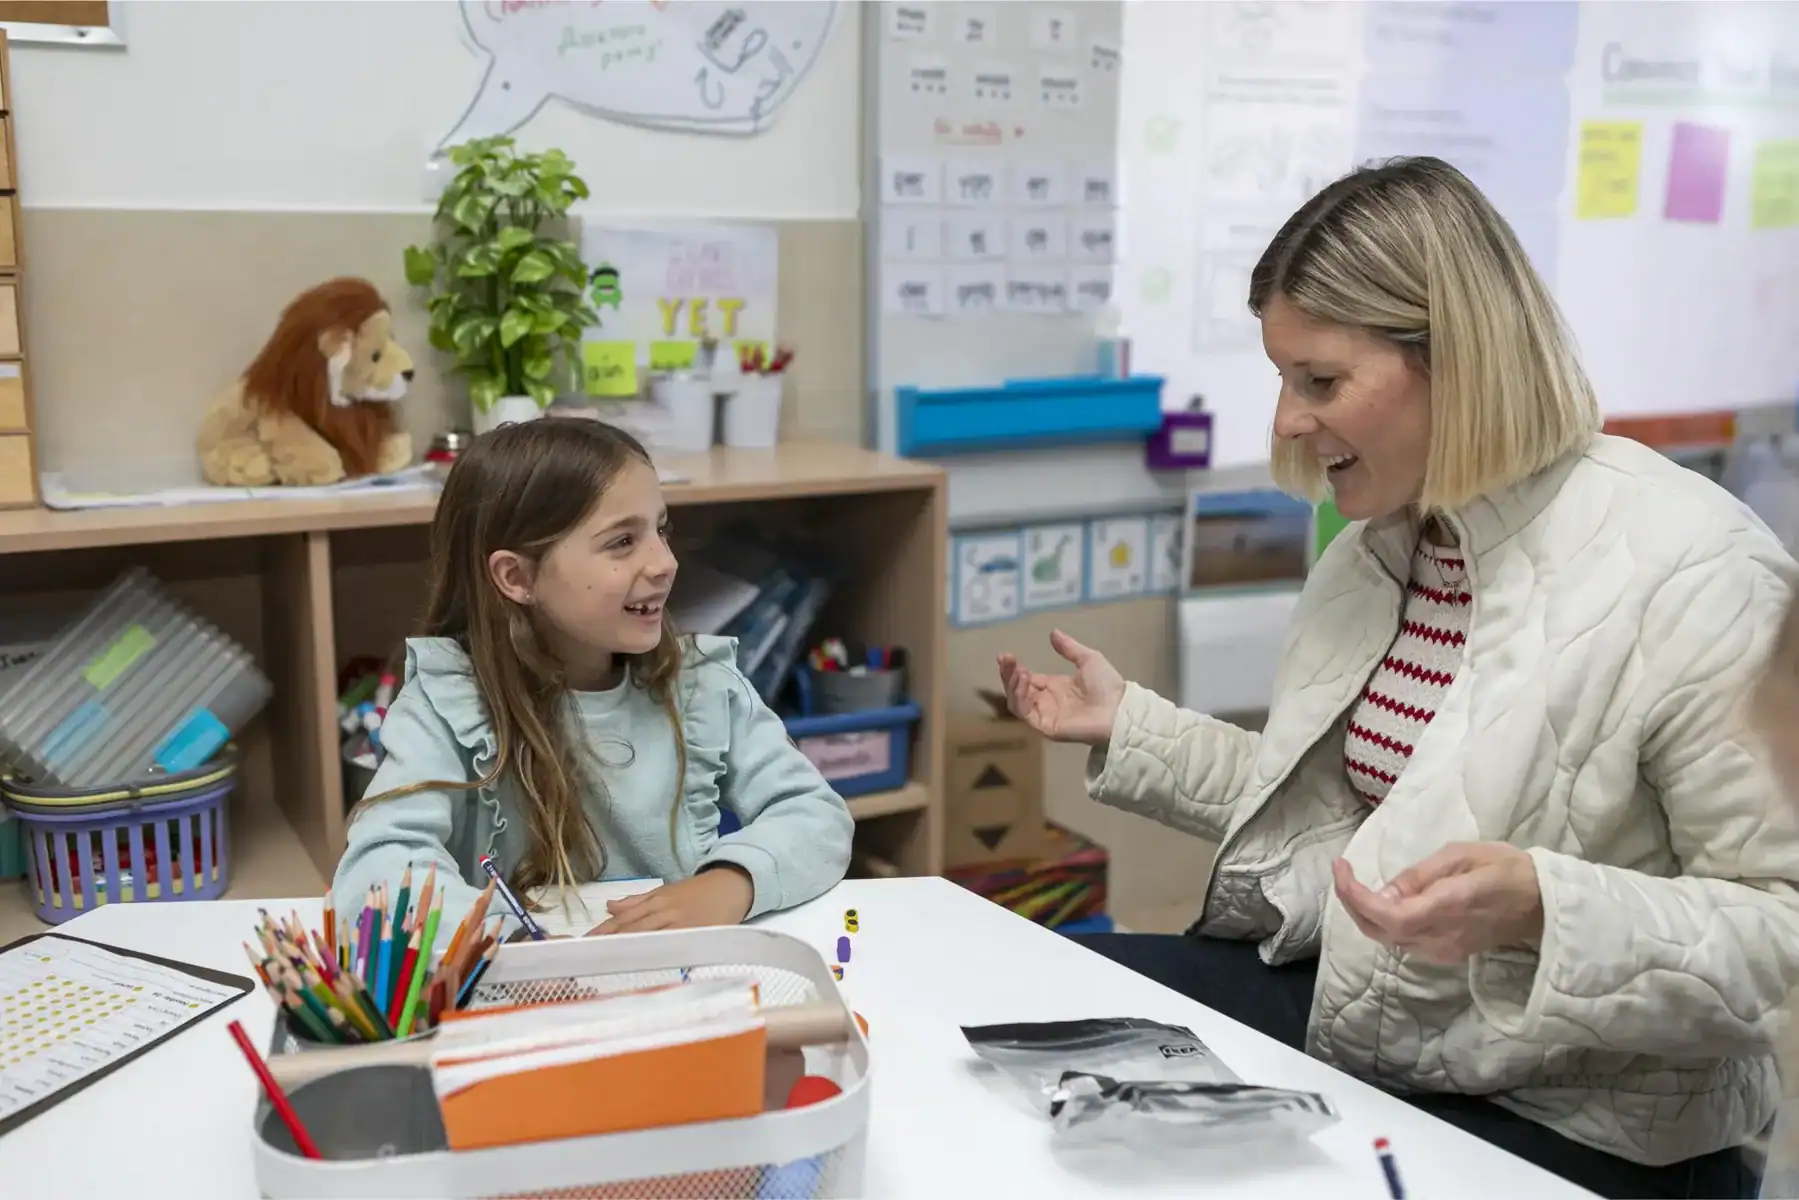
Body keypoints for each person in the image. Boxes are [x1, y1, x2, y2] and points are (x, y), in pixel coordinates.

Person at [997, 157, 1799, 1200]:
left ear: (1456, 363)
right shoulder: (1382, 547)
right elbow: (1362, 815)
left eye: (1318, 381)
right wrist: (1133, 730)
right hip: (1378, 1030)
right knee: (1033, 1039)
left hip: (1577, 1119)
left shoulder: (1696, 570)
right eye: (1281, 378)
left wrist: (1544, 911)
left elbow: (1780, 934)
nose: (1285, 421)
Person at [332, 419, 853, 944]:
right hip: (518, 993)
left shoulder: (701, 684)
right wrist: (513, 939)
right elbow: (377, 870)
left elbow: (816, 815)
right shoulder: (448, 701)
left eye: (661, 528)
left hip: (668, 983)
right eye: (623, 541)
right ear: (517, 578)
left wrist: (730, 884)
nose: (666, 562)